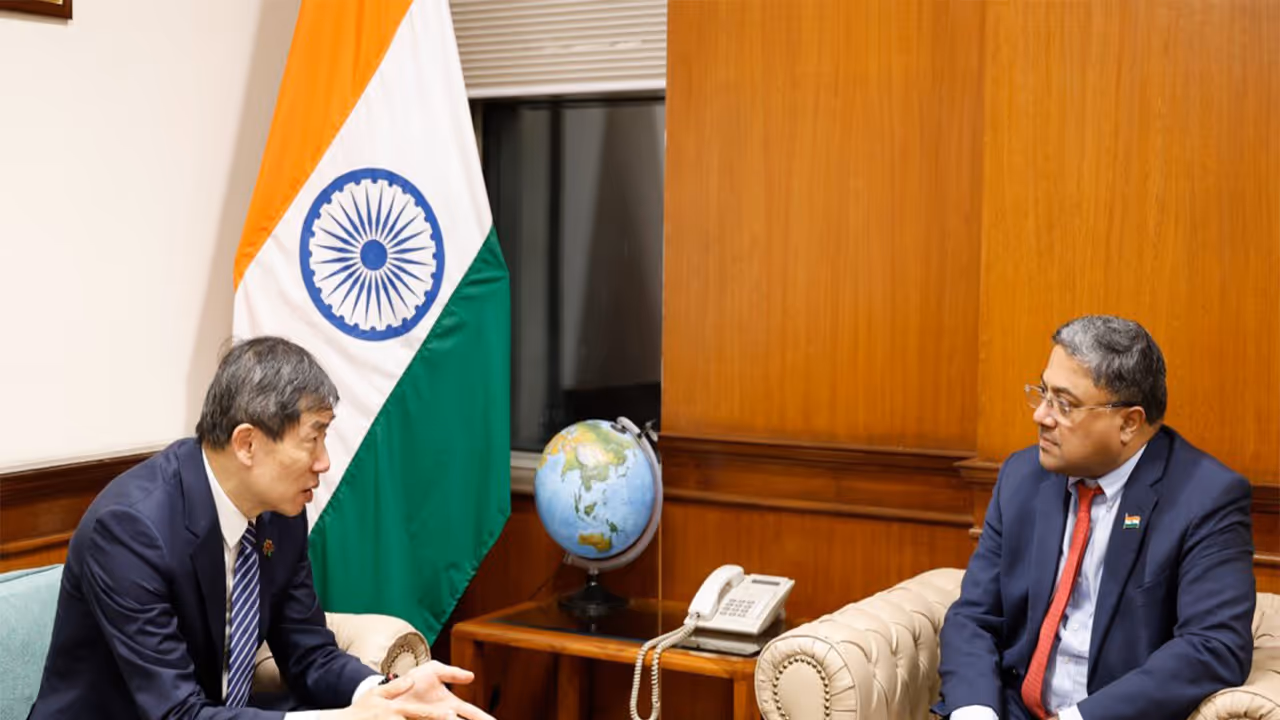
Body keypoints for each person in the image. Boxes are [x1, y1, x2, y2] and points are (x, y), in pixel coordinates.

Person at [29, 337, 495, 720]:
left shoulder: (279, 515)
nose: (324, 462)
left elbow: (309, 653)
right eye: (312, 438)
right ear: (247, 443)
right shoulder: (130, 529)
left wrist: (389, 693)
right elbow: (175, 712)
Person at [936, 315, 1255, 720]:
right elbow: (974, 616)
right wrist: (976, 712)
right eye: (1043, 393)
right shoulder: (1022, 477)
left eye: (1064, 404)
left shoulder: (1205, 498)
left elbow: (1213, 646)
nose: (1041, 416)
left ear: (1129, 423)